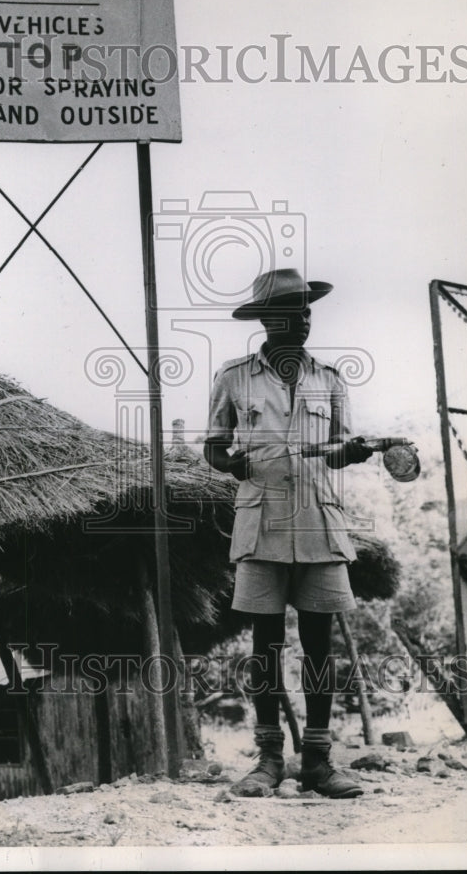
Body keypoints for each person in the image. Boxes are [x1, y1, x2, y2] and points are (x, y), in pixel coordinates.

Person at [204, 268, 372, 798]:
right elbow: (212, 445)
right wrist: (229, 463)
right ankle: (269, 759)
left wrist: (354, 451)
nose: (302, 320)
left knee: (320, 647)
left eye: (307, 311)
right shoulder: (234, 377)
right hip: (261, 521)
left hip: (320, 523)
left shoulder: (331, 377)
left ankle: (318, 762)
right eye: (291, 312)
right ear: (267, 320)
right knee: (266, 646)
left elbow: (342, 448)